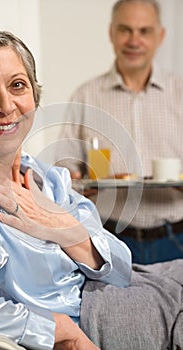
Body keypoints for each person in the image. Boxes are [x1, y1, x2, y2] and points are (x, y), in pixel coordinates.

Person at [0, 28, 182, 350]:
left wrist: (66, 228)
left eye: (17, 85)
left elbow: (120, 266)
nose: (6, 105)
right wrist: (57, 328)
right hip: (88, 316)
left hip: (116, 291)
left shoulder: (41, 174)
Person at [55, 0, 183, 264]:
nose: (134, 40)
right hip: (109, 237)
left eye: (144, 31)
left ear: (160, 36)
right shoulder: (86, 95)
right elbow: (64, 167)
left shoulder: (180, 92)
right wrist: (76, 181)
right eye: (125, 30)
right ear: (111, 33)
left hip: (177, 238)